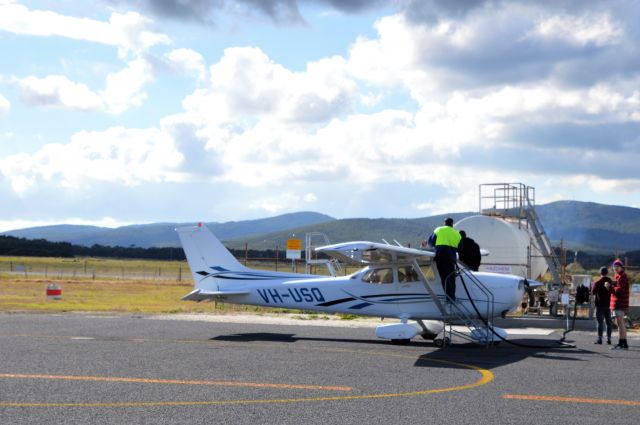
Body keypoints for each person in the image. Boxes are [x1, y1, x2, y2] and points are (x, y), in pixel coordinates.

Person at [428, 218, 461, 302]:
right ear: (452, 224)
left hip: (441, 257)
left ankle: (448, 299)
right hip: (452, 258)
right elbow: (460, 248)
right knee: (451, 278)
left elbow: (431, 243)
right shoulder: (457, 234)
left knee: (444, 278)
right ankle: (452, 297)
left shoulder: (439, 229)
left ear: (444, 223)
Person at [607, 259, 629, 350]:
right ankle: (624, 343)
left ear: (621, 267)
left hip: (619, 303)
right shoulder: (619, 276)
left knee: (620, 323)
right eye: (614, 267)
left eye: (617, 267)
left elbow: (619, 291)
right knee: (620, 323)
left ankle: (621, 343)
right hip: (619, 303)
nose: (615, 268)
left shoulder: (622, 276)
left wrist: (610, 287)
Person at [591, 266, 612, 345]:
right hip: (608, 305)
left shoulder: (597, 282)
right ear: (607, 272)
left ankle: (599, 339)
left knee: (600, 322)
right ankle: (609, 339)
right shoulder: (610, 281)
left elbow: (593, 292)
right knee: (608, 322)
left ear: (600, 273)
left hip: (599, 305)